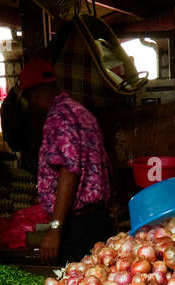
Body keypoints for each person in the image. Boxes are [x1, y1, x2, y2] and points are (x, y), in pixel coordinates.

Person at [16, 58, 112, 265]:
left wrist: (56, 229)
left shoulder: (58, 118)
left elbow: (69, 172)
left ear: (36, 92)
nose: (30, 105)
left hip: (78, 226)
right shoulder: (81, 112)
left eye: (29, 98)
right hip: (98, 219)